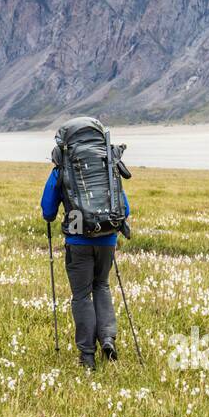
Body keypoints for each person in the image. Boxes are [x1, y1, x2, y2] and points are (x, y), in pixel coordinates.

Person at [40, 152, 130, 371]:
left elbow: (48, 211)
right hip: (107, 238)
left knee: (81, 295)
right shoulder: (105, 166)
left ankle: (87, 355)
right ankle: (108, 339)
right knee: (102, 285)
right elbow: (124, 208)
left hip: (78, 239)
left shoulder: (62, 169)